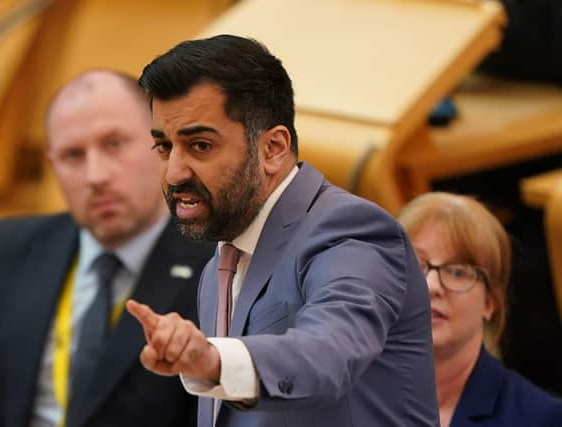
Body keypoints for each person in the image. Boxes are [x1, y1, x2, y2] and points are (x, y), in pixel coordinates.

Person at [125, 34, 439, 427]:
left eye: (200, 146)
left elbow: (329, 351)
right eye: (164, 147)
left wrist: (212, 359)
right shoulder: (217, 267)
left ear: (273, 148)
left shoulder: (350, 232)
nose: (174, 173)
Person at [0, 70, 214, 427]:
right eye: (73, 155)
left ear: (162, 145)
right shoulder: (2, 250)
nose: (95, 175)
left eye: (114, 144)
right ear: (53, 166)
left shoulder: (217, 265)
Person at [398, 192, 562, 427]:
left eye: (457, 271)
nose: (431, 286)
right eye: (415, 264)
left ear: (490, 303)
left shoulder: (542, 419)